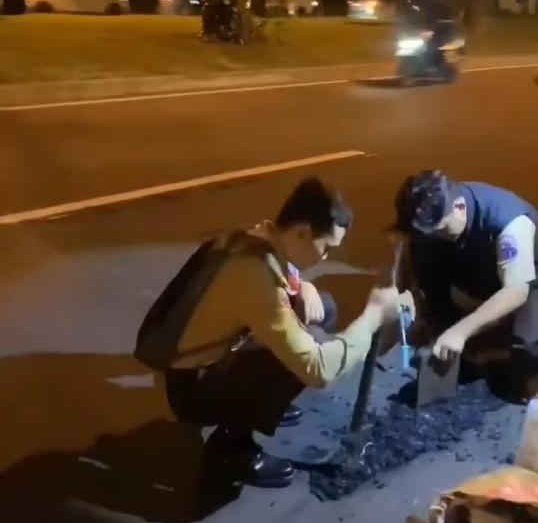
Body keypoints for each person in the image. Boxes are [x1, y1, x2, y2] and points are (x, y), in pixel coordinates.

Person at [135, 178, 414, 489]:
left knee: (322, 307)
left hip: (203, 361)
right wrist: (374, 315)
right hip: (194, 390)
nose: (325, 258)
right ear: (302, 233)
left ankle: (263, 403)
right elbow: (320, 369)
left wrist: (303, 286)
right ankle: (230, 446)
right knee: (314, 344)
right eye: (326, 249)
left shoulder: (252, 238)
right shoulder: (256, 277)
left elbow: (275, 281)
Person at [391, 171, 538, 374]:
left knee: (525, 352)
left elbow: (516, 291)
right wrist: (418, 309)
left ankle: (499, 353)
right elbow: (412, 259)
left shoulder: (508, 222)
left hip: (527, 279)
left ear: (459, 208)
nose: (432, 237)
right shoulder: (436, 220)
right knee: (425, 251)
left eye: (439, 229)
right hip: (479, 268)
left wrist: (460, 332)